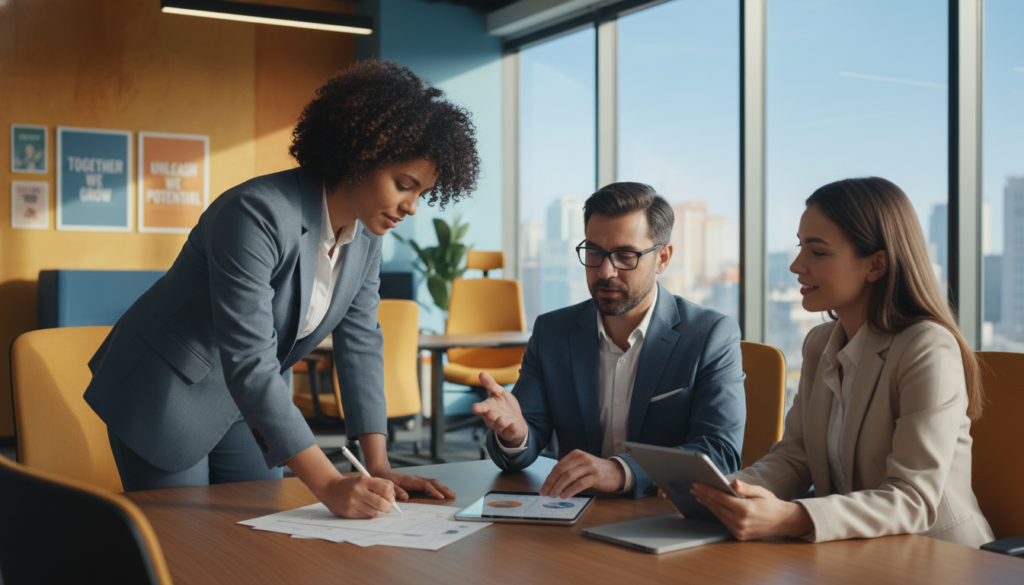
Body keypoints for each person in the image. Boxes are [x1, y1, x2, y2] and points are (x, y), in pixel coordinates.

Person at [85, 60, 479, 519]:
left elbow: (360, 343)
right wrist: (329, 484)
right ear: (361, 155)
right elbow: (249, 357)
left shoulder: (367, 238)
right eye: (404, 185)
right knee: (188, 545)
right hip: (168, 387)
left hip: (245, 399)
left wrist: (379, 464)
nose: (411, 207)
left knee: (259, 532)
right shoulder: (254, 214)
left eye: (423, 193)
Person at [690, 177, 995, 547]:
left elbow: (913, 499)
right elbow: (796, 457)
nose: (797, 265)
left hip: (939, 556)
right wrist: (728, 491)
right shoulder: (819, 345)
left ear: (876, 264)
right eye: (801, 247)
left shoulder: (927, 348)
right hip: (855, 551)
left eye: (817, 252)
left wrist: (793, 516)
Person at [472, 182, 746, 499]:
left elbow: (720, 450)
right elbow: (526, 436)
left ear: (663, 258)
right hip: (573, 518)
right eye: (594, 252)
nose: (605, 271)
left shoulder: (710, 335)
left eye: (625, 255)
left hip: (664, 517)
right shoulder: (553, 332)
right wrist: (516, 435)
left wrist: (621, 471)